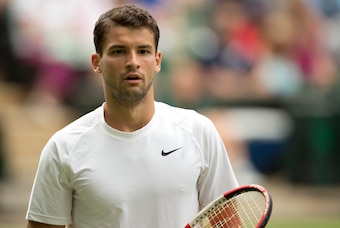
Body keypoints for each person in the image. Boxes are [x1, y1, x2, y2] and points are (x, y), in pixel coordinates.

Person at [25, 4, 239, 228]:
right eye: (119, 51)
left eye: (143, 51)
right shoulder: (63, 147)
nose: (133, 62)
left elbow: (229, 223)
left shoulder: (199, 131)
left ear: (157, 61)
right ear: (97, 63)